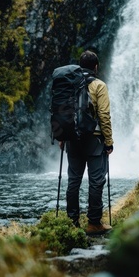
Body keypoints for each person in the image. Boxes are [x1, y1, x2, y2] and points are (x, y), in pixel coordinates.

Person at [60, 50, 114, 236]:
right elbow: (104, 115)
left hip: (72, 139)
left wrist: (62, 137)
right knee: (96, 181)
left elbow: (62, 112)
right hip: (94, 139)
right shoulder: (99, 85)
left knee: (73, 181)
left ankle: (72, 222)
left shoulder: (68, 84)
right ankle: (93, 223)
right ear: (96, 67)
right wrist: (109, 142)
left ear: (79, 65)